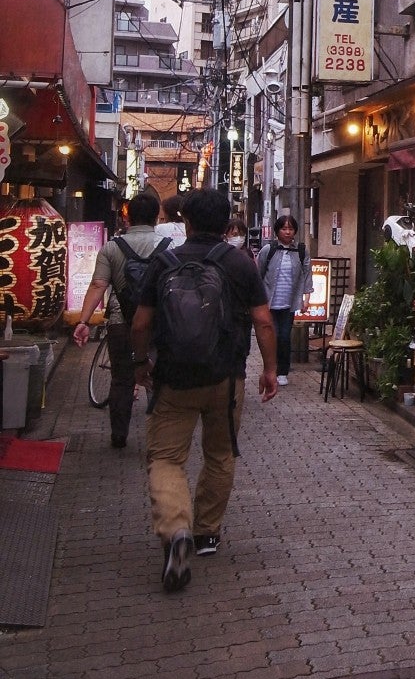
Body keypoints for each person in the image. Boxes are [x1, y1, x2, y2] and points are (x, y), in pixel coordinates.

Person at [131, 188, 277, 594]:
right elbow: (264, 321)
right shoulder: (239, 263)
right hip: (226, 379)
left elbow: (141, 324)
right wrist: (270, 370)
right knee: (220, 454)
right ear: (225, 221)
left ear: (187, 222)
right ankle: (207, 533)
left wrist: (141, 365)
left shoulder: (165, 262)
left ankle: (177, 529)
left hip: (174, 379)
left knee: (165, 457)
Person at [72, 193, 166, 449]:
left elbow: (98, 284)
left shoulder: (112, 248)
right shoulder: (169, 247)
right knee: (157, 378)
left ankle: (119, 434)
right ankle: (158, 436)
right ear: (157, 216)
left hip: (120, 321)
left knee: (122, 379)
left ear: (127, 215)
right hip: (158, 324)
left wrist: (83, 321)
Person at [256, 215, 313, 387]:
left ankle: (282, 371)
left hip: (289, 302)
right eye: (284, 228)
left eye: (290, 228)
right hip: (269, 302)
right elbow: (259, 274)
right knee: (271, 337)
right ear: (277, 230)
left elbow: (307, 274)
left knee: (284, 337)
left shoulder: (301, 251)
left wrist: (306, 298)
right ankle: (270, 368)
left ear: (295, 231)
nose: (287, 232)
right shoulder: (268, 250)